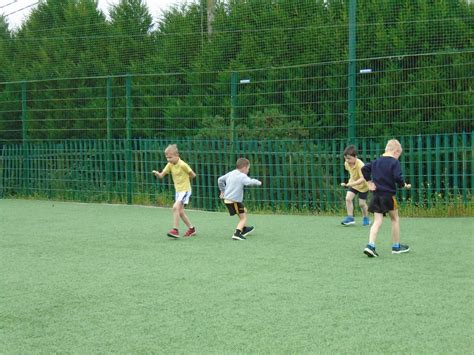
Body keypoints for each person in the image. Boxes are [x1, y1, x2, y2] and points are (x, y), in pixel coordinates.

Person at [361, 139, 411, 257]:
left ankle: (370, 245)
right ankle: (396, 246)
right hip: (388, 196)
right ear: (396, 152)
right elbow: (397, 177)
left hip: (376, 196)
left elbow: (364, 169)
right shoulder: (394, 162)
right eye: (399, 155)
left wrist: (369, 182)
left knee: (377, 221)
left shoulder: (376, 161)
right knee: (394, 219)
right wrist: (404, 185)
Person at [152, 144, 197, 238]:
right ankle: (191, 229)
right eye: (167, 157)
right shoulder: (170, 165)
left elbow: (193, 175)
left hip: (185, 190)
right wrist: (157, 174)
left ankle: (175, 230)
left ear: (177, 155)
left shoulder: (183, 165)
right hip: (178, 191)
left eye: (170, 157)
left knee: (175, 207)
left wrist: (186, 180)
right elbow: (161, 176)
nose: (168, 159)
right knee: (180, 212)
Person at [218, 158, 262, 240]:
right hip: (233, 201)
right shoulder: (242, 176)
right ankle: (237, 233)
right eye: (248, 168)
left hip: (228, 200)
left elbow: (220, 180)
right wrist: (258, 182)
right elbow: (249, 182)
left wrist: (222, 191)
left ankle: (244, 229)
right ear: (244, 168)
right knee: (243, 218)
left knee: (244, 211)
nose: (248, 170)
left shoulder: (231, 173)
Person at [340, 145, 370, 226]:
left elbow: (363, 178)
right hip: (354, 185)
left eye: (349, 158)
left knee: (361, 204)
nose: (347, 160)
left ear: (355, 157)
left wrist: (351, 183)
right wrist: (351, 182)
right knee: (348, 198)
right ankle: (350, 218)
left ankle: (366, 218)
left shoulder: (361, 165)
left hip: (364, 186)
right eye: (346, 158)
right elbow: (352, 173)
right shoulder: (346, 163)